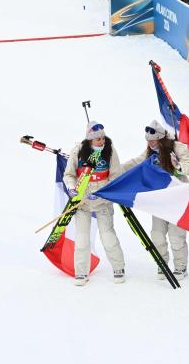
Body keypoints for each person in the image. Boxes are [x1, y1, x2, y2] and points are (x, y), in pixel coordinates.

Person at [122, 120, 189, 279]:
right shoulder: (150, 151)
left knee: (176, 236)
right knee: (157, 235)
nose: (150, 144)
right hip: (160, 199)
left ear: (161, 138)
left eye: (153, 141)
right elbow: (135, 163)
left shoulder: (177, 147)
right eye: (148, 141)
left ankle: (180, 267)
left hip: (178, 199)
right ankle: (162, 263)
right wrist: (115, 170)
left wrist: (178, 166)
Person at [63, 121, 125, 286]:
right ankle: (81, 272)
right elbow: (69, 175)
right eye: (98, 138)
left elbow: (115, 177)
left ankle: (119, 268)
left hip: (102, 203)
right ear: (90, 139)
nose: (102, 141)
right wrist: (71, 189)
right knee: (82, 239)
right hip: (82, 204)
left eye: (103, 137)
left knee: (108, 237)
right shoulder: (78, 151)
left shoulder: (110, 151)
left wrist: (101, 193)